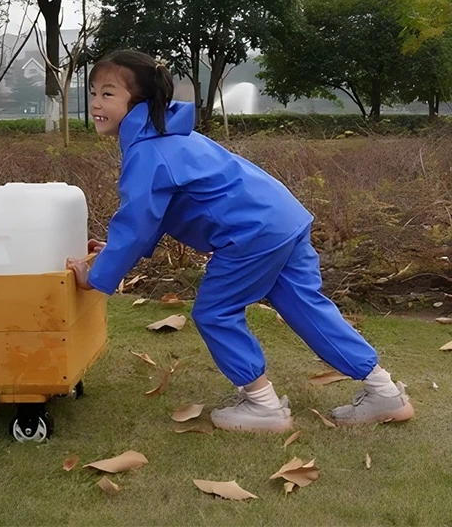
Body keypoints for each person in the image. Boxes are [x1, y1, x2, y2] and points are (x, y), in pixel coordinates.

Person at [66, 49, 414, 432]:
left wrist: (97, 278)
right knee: (305, 305)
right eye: (94, 92)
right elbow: (151, 219)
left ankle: (262, 405)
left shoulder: (148, 152)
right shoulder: (171, 138)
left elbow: (136, 224)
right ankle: (384, 391)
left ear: (140, 101)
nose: (96, 103)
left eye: (109, 94)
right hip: (282, 219)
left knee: (215, 311)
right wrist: (113, 252)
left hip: (253, 233)